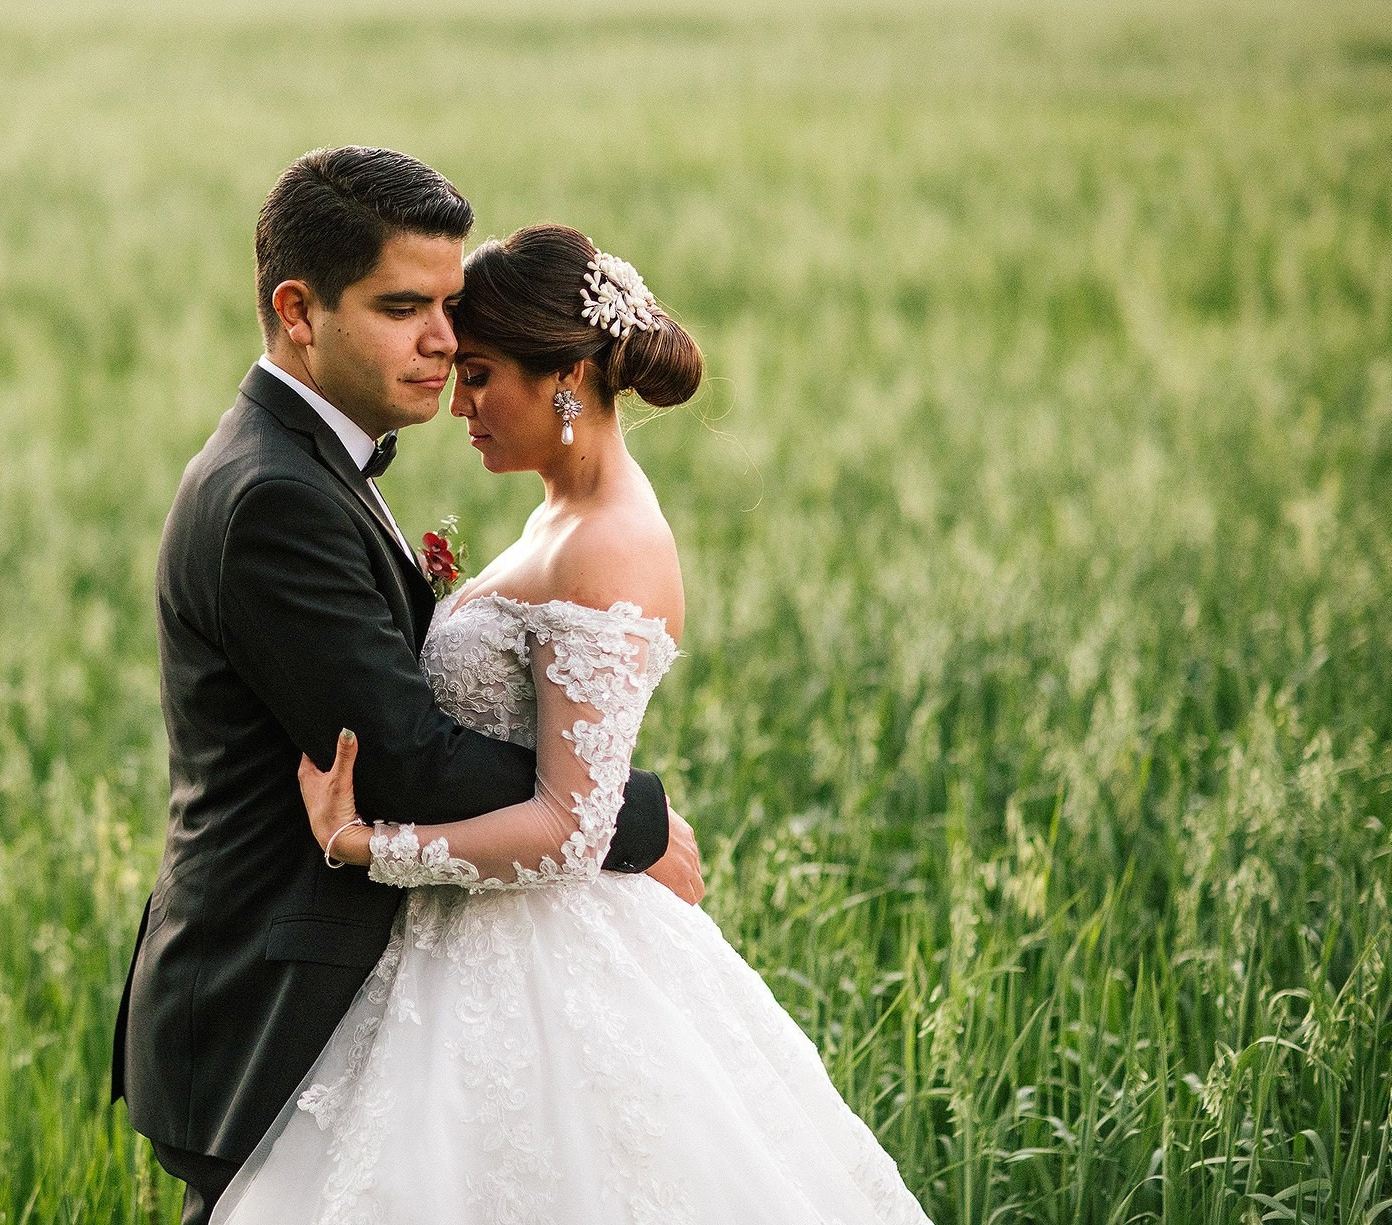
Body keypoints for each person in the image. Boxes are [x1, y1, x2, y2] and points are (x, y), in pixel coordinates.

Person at [208, 225, 935, 1224]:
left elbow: (569, 827)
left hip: (542, 957)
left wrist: (362, 843)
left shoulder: (607, 544)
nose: (457, 403)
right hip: (466, 942)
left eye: (479, 376)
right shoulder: (558, 514)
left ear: (564, 380)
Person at [110, 148, 704, 1225]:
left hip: (369, 978)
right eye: (403, 308)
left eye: (447, 307)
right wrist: (627, 816)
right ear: (299, 312)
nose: (443, 339)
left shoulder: (314, 463)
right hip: (269, 999)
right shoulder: (275, 496)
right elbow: (403, 760)